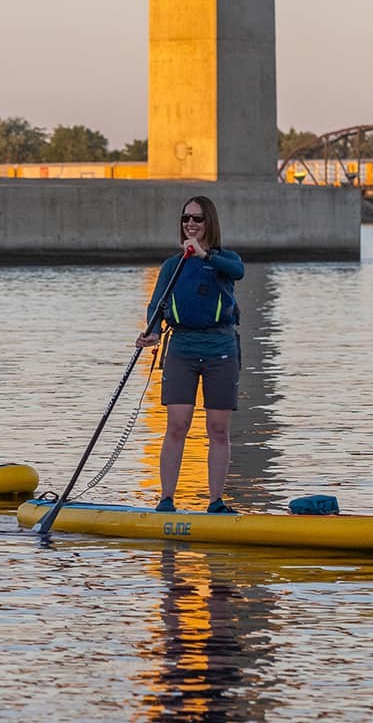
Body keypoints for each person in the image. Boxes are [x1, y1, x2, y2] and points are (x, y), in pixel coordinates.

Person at [135, 195, 245, 513]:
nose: (191, 224)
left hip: (220, 349)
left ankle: (216, 502)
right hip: (182, 348)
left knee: (218, 429)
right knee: (177, 425)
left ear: (209, 222)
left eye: (197, 218)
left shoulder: (225, 260)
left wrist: (204, 254)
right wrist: (152, 332)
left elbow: (238, 272)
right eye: (186, 218)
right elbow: (157, 305)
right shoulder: (173, 265)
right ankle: (166, 500)